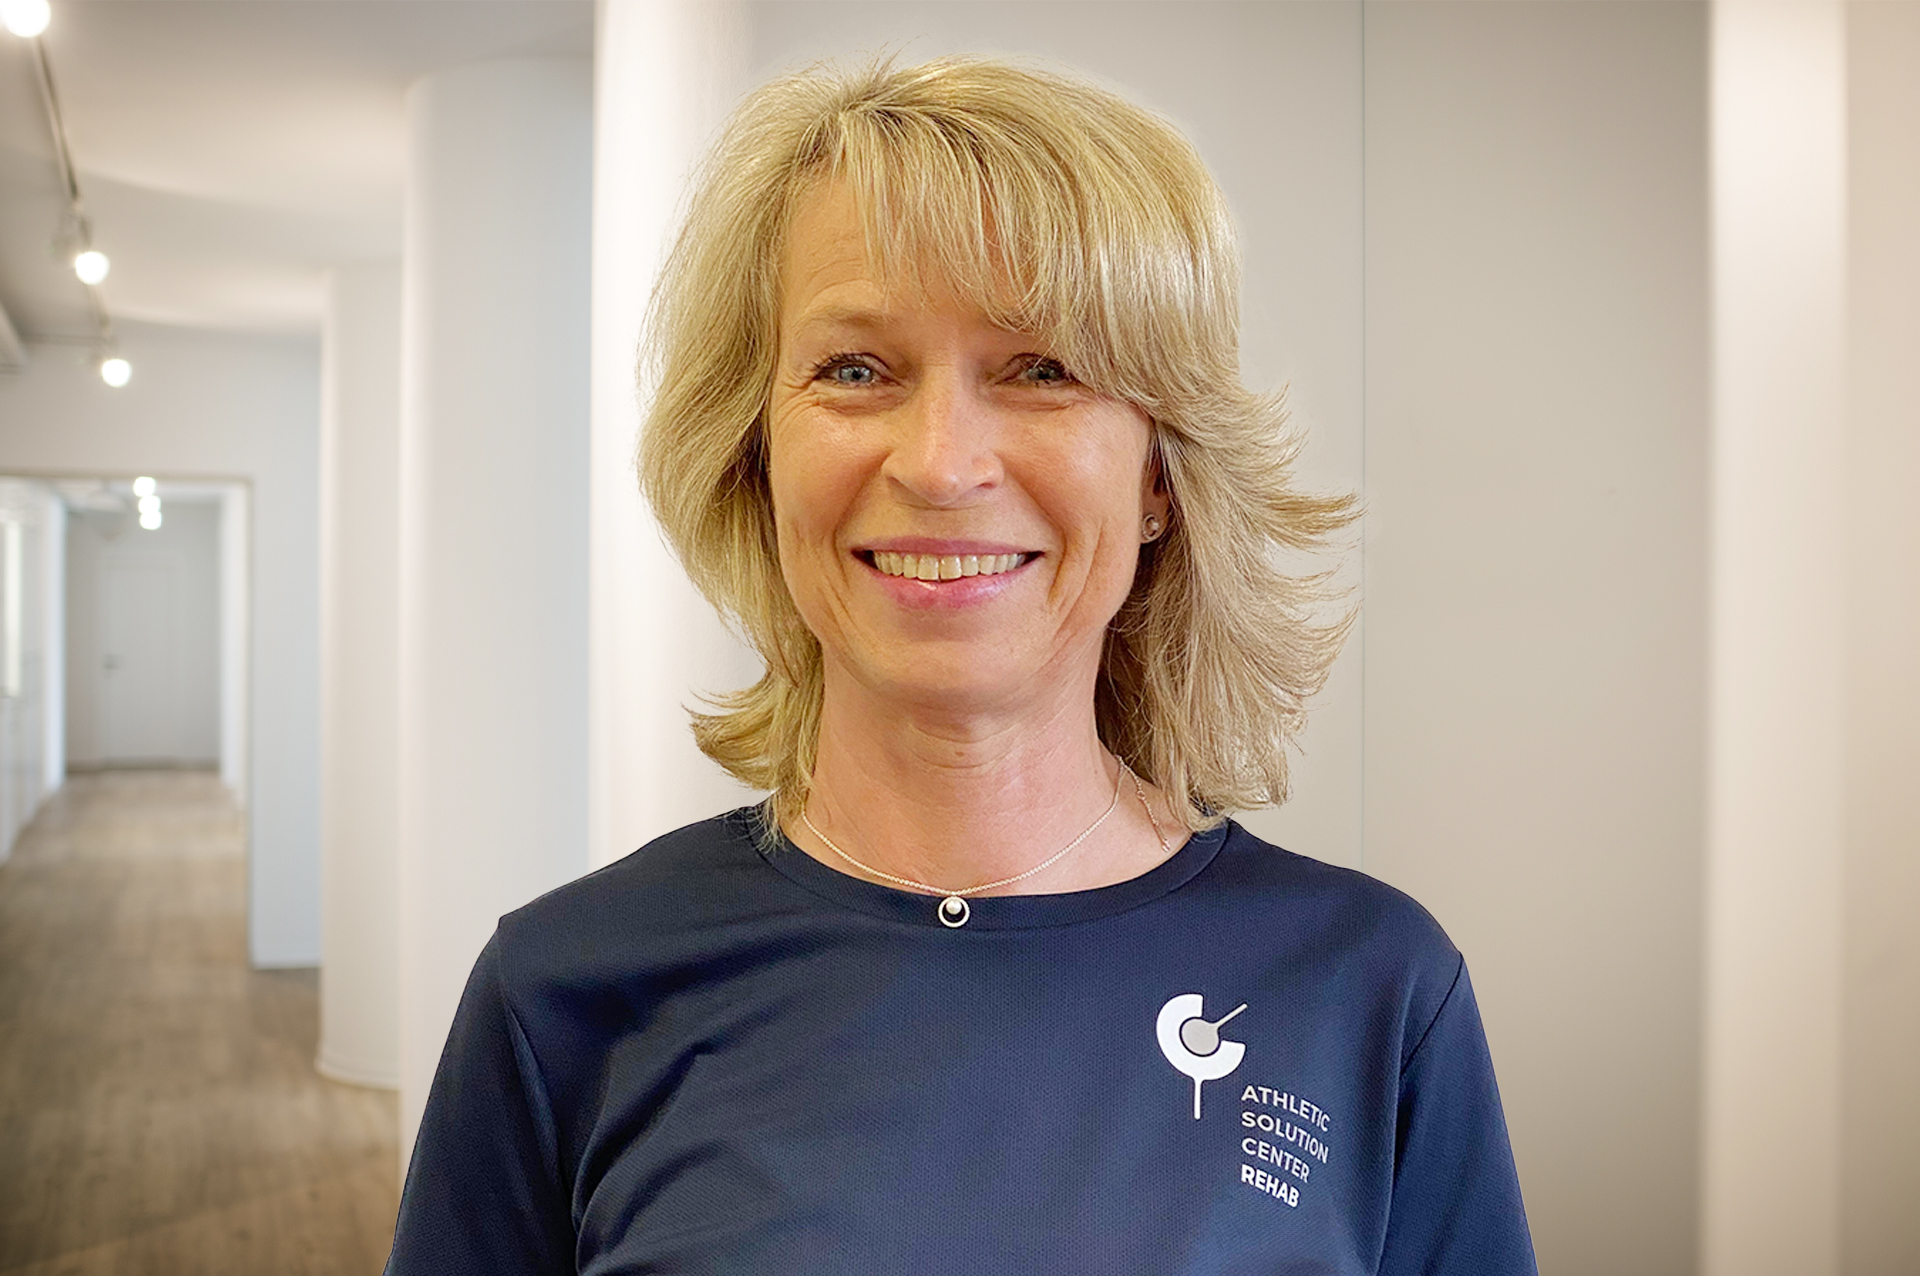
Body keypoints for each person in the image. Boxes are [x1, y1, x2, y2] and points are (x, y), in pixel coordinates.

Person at [386, 56, 1536, 1275]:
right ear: (755, 453)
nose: (940, 464)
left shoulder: (1372, 990)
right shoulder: (560, 997)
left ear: (1159, 474)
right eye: (855, 370)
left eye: (1043, 368)